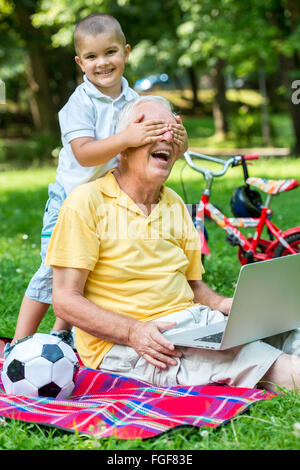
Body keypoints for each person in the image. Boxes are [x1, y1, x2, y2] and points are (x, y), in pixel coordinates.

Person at [45, 95, 300, 393]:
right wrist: (132, 331)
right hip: (136, 345)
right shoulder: (86, 202)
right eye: (154, 128)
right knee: (281, 368)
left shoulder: (177, 204)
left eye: (173, 130)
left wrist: (225, 306)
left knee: (291, 328)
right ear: (124, 146)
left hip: (196, 325)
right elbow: (64, 299)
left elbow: (193, 287)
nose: (167, 136)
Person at [5, 14, 187, 355]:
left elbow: (164, 146)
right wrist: (126, 136)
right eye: (91, 57)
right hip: (69, 201)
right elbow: (85, 154)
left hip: (107, 201)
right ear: (80, 62)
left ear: (127, 53)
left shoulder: (135, 100)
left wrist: (179, 138)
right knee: (52, 273)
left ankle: (63, 336)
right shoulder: (79, 103)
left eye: (111, 52)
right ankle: (17, 344)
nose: (102, 63)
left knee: (91, 271)